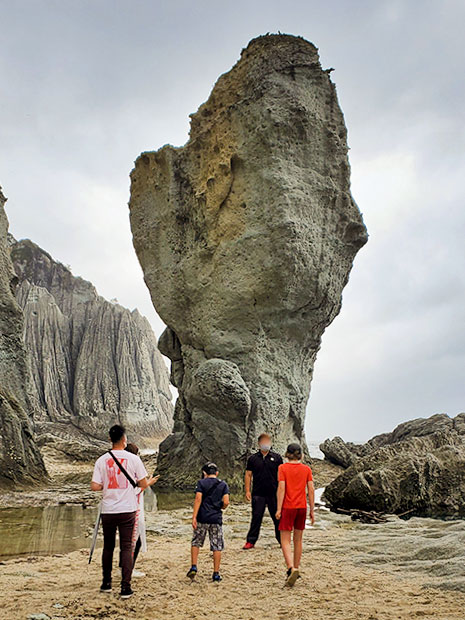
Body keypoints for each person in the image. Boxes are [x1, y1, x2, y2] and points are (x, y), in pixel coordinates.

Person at [91, 425, 158, 599]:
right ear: (124, 439)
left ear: (109, 438)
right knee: (126, 547)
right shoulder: (133, 459)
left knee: (108, 546)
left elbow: (94, 486)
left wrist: (107, 485)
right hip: (127, 509)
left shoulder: (101, 460)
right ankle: (125, 588)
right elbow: (143, 484)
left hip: (108, 509)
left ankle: (106, 583)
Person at [276, 442, 315, 587]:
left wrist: (279, 509)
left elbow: (281, 488)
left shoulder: (283, 468)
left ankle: (291, 568)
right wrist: (311, 510)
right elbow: (311, 490)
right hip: (301, 507)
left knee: (285, 540)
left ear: (287, 454)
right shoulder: (306, 469)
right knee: (298, 540)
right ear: (301, 454)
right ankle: (296, 568)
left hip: (288, 506)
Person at [118, 442, 159, 578]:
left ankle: (122, 567)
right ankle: (128, 569)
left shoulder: (120, 468)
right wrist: (149, 483)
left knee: (127, 540)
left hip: (121, 508)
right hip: (133, 509)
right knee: (135, 540)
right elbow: (136, 489)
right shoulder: (133, 468)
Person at [187, 462, 230, 583]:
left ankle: (194, 566)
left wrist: (194, 517)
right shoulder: (223, 484)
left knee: (196, 542)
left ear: (204, 473)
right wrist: (220, 507)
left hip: (202, 517)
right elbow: (226, 502)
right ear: (217, 473)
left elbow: (198, 499)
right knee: (217, 545)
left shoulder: (201, 483)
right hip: (216, 518)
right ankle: (216, 573)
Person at [243, 433, 283, 549]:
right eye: (264, 442)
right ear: (259, 444)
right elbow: (248, 475)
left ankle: (282, 541)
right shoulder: (253, 459)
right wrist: (247, 491)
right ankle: (251, 541)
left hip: (274, 493)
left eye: (268, 442)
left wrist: (282, 492)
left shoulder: (277, 458)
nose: (266, 444)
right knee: (256, 517)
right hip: (258, 493)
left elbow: (281, 476)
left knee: (277, 517)